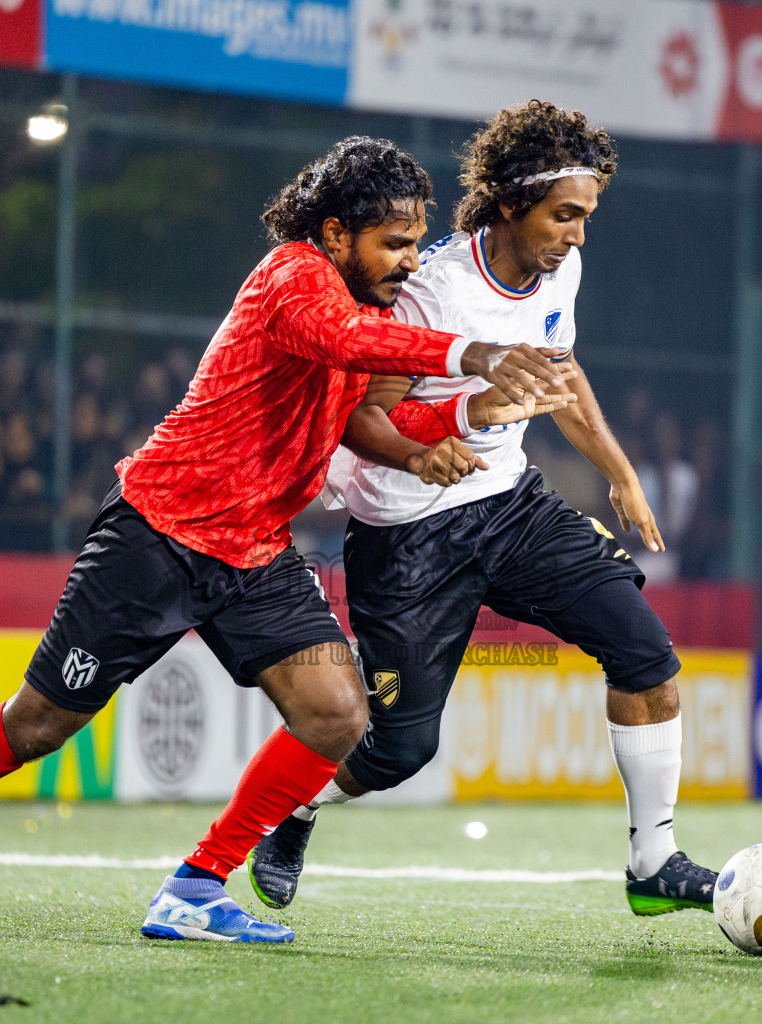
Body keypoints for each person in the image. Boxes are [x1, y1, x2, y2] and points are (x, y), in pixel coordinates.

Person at [0, 135, 571, 942]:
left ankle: (197, 887)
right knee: (38, 725)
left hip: (255, 552)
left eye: (418, 243)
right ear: (338, 233)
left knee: (337, 713)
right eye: (394, 243)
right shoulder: (292, 277)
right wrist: (474, 352)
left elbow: (360, 416)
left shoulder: (373, 310)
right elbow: (343, 345)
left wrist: (452, 422)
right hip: (158, 533)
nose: (410, 262)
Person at [251, 101, 717, 918]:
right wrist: (442, 439)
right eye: (564, 216)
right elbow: (364, 420)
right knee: (400, 748)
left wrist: (618, 471)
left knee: (647, 656)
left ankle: (654, 861)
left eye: (586, 217)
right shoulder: (430, 292)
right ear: (509, 204)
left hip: (510, 503)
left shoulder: (561, 269)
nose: (577, 236)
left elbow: (557, 373)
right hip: (408, 534)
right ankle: (291, 812)